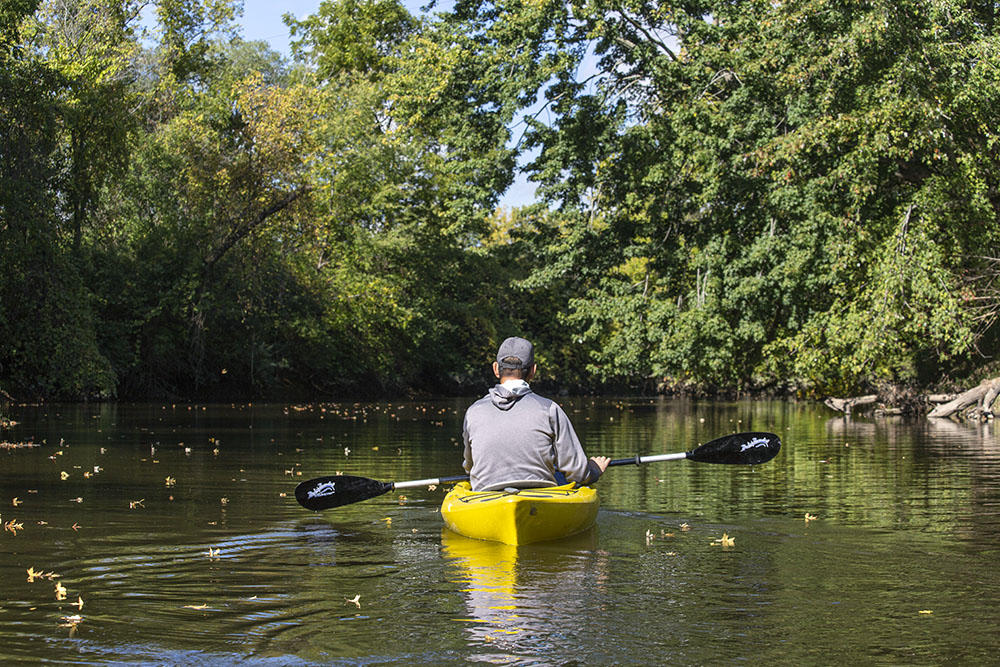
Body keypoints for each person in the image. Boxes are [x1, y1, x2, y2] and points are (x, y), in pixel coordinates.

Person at [462, 336, 610, 491]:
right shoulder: (550, 409)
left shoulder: (473, 411)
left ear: (495, 369)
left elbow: (469, 467)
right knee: (561, 476)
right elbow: (577, 473)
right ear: (533, 371)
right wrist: (593, 470)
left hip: (486, 495)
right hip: (541, 495)